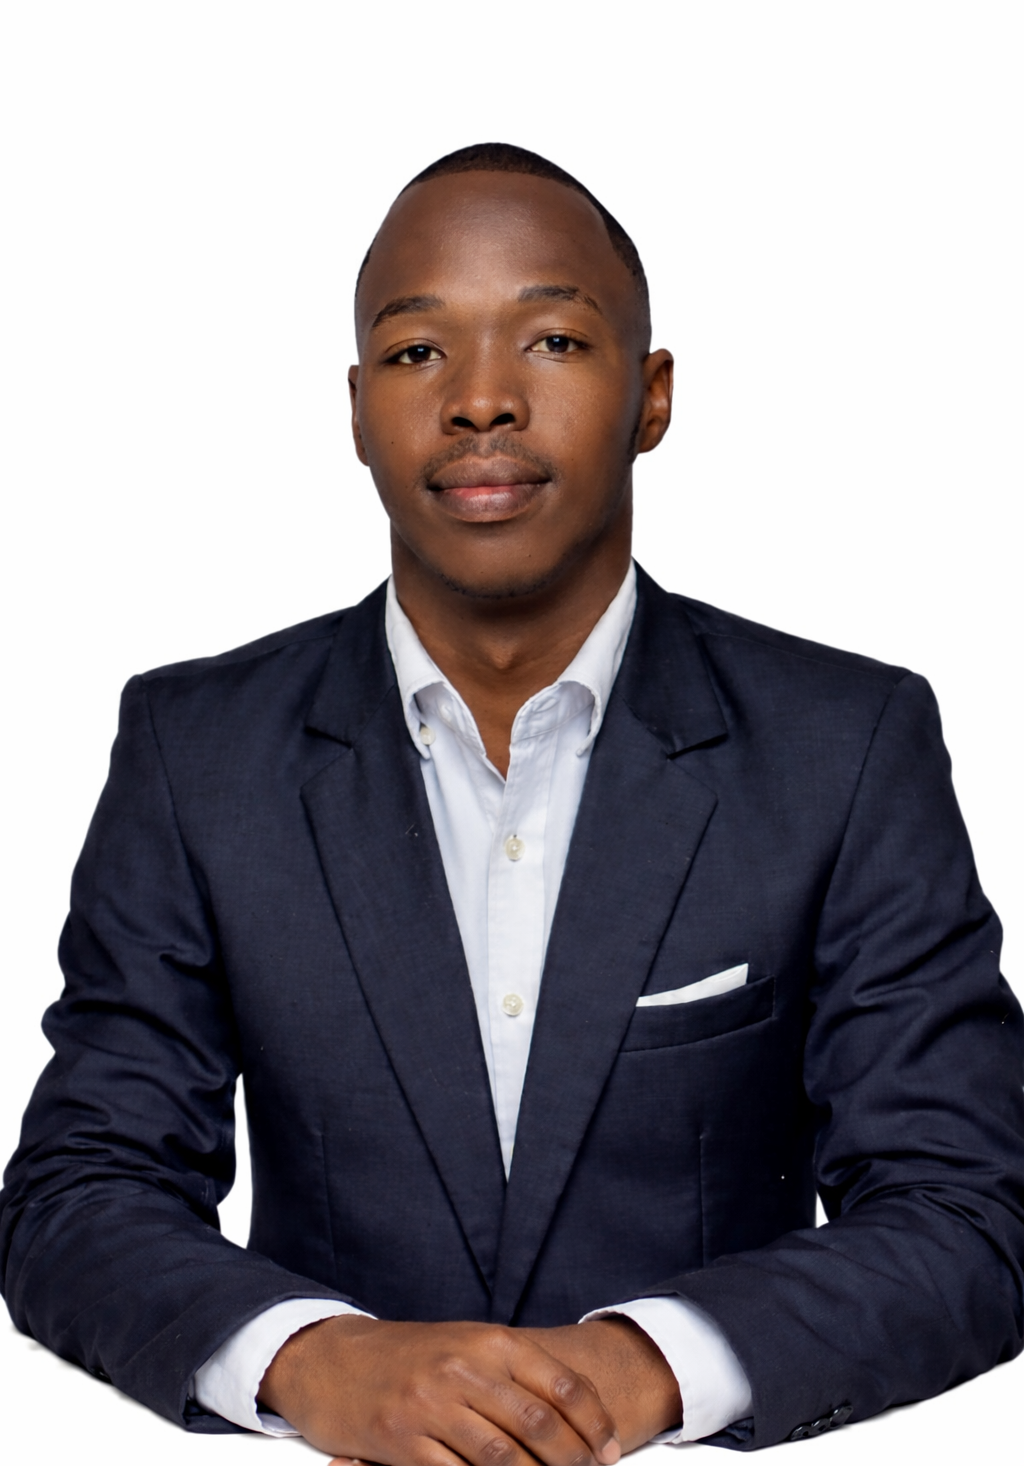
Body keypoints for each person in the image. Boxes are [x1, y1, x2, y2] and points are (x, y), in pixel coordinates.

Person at [2, 143, 1022, 1458]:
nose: (481, 399)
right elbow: (80, 1193)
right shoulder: (197, 753)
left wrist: (641, 1368)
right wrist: (315, 1361)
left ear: (652, 395)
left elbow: (970, 1208)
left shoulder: (847, 746)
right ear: (357, 409)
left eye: (552, 340)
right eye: (419, 351)